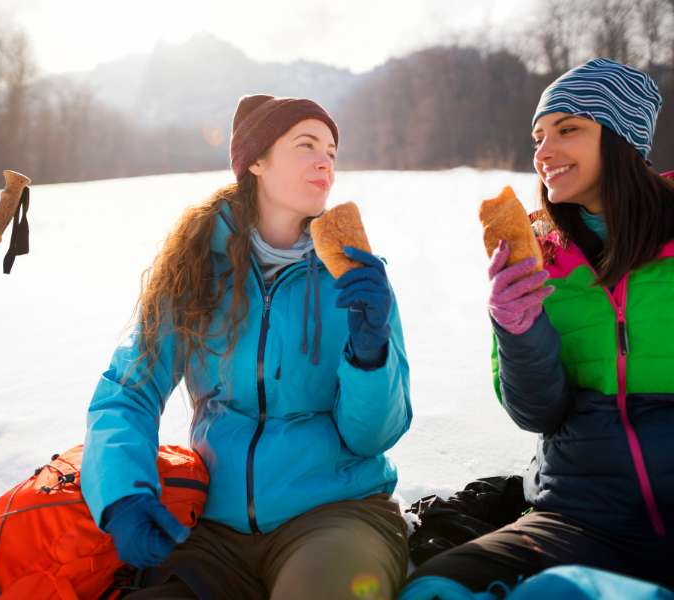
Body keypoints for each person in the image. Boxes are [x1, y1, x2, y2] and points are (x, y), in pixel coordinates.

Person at [81, 94, 412, 600]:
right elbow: (129, 393)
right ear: (255, 161)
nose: (325, 161)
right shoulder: (195, 269)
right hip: (212, 527)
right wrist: (123, 494)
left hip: (337, 516)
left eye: (331, 151)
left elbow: (372, 437)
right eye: (306, 145)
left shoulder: (356, 277)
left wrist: (371, 355)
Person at [408, 58, 674, 590]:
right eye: (538, 137)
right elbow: (537, 412)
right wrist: (519, 328)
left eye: (568, 129)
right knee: (437, 588)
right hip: (578, 519)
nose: (543, 152)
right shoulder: (538, 260)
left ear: (623, 139)